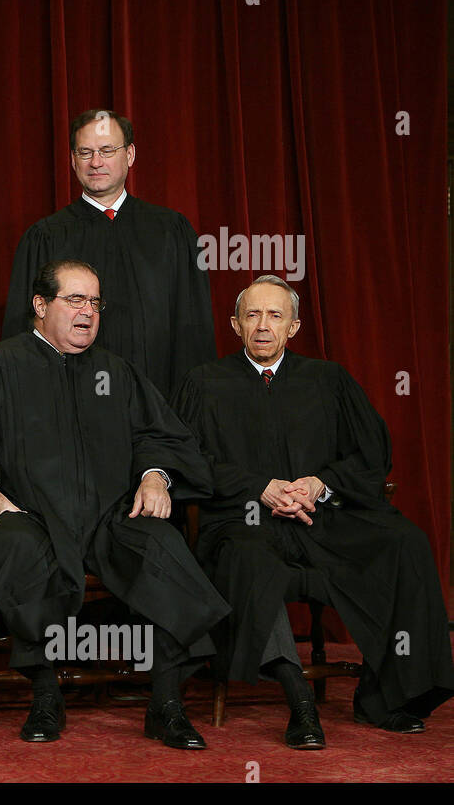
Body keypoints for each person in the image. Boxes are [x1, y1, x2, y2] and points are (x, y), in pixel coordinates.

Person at [0, 259, 230, 748]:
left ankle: (166, 703)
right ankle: (46, 693)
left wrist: (156, 476)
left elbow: (164, 436)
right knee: (20, 549)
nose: (89, 312)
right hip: (27, 513)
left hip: (110, 516)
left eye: (95, 302)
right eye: (75, 300)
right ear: (40, 304)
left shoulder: (116, 372)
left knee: (162, 547)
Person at [172, 275, 454, 748]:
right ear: (235, 325)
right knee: (251, 560)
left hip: (321, 516)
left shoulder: (328, 379)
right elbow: (184, 460)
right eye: (253, 315)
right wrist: (258, 487)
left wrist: (320, 484)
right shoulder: (203, 383)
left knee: (405, 541)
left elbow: (370, 454)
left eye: (275, 315)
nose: (264, 326)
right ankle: (299, 699)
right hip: (244, 518)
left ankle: (384, 695)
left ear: (295, 326)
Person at [1, 110, 214, 398]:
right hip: (70, 402)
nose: (96, 162)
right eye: (85, 152)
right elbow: (22, 332)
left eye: (106, 150)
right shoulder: (45, 237)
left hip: (161, 402)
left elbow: (194, 327)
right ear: (72, 160)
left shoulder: (171, 231)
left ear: (130, 155)